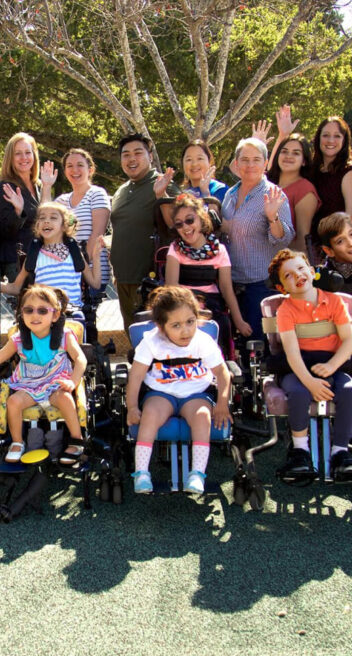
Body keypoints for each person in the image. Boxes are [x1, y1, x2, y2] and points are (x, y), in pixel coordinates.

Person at [0, 285, 88, 465]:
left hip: (56, 384)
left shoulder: (64, 335)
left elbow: (80, 359)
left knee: (65, 398)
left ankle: (76, 440)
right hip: (29, 385)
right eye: (29, 310)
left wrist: (73, 382)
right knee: (13, 402)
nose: (35, 315)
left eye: (42, 311)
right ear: (22, 314)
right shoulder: (18, 339)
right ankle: (17, 442)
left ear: (55, 315)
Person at [125, 286, 232, 495]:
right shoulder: (151, 342)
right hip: (161, 392)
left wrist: (222, 403)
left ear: (196, 318)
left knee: (202, 417)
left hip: (196, 393)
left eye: (190, 322)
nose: (185, 331)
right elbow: (136, 376)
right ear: (162, 326)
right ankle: (141, 473)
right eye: (176, 325)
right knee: (150, 415)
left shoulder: (203, 341)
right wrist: (131, 407)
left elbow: (222, 373)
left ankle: (197, 474)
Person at [268, 249, 352, 478]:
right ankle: (300, 450)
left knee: (349, 391)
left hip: (332, 363)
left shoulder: (334, 302)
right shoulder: (286, 311)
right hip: (298, 368)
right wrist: (310, 382)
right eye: (288, 275)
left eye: (301, 269)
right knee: (299, 393)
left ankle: (341, 451)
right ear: (282, 288)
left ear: (312, 272)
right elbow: (291, 353)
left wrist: (331, 366)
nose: (297, 276)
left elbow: (350, 340)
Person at [157, 193, 251, 354]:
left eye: (190, 220)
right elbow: (171, 287)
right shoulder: (176, 249)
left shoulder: (219, 250)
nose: (185, 227)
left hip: (211, 304)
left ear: (201, 219)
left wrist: (239, 321)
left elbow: (227, 289)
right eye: (179, 224)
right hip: (182, 301)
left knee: (221, 323)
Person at [220, 137, 293, 341]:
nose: (250, 165)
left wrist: (272, 217)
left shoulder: (274, 195)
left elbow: (283, 240)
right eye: (244, 159)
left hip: (260, 284)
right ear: (236, 164)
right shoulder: (230, 194)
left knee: (258, 345)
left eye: (256, 159)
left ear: (266, 163)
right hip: (230, 282)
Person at [110, 133, 179, 336]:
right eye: (126, 154)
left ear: (150, 156)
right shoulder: (121, 191)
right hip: (123, 280)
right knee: (133, 336)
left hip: (152, 281)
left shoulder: (162, 183)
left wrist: (161, 195)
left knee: (155, 338)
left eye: (138, 153)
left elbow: (175, 226)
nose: (132, 159)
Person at [2, 202, 102, 312]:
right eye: (42, 218)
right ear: (37, 225)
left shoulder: (74, 252)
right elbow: (16, 288)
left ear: (64, 225)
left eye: (53, 218)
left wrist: (96, 256)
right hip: (43, 313)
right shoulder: (34, 255)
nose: (46, 221)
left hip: (73, 312)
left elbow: (95, 284)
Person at [48, 148, 113, 288]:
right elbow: (47, 227)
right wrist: (47, 186)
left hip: (92, 273)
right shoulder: (61, 201)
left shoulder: (97, 194)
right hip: (67, 275)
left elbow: (97, 234)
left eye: (80, 165)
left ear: (90, 170)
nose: (74, 170)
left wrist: (82, 267)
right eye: (69, 166)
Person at [309, 115, 352, 241]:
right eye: (326, 135)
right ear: (318, 138)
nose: (330, 140)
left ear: (344, 140)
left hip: (336, 246)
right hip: (311, 243)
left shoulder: (349, 172)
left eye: (337, 136)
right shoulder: (312, 168)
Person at [266, 133, 320, 254]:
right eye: (284, 151)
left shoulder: (305, 190)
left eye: (296, 153)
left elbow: (302, 240)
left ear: (304, 161)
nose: (288, 156)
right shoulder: (265, 181)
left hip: (282, 261)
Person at [0, 132, 41, 269]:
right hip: (17, 262)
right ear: (10, 158)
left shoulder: (39, 186)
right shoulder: (5, 187)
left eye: (28, 152)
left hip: (41, 258)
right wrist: (18, 212)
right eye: (18, 153)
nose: (24, 157)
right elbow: (4, 231)